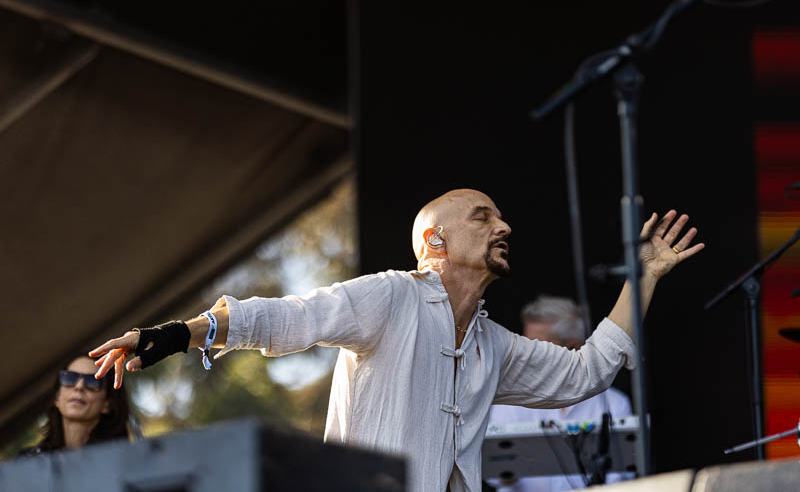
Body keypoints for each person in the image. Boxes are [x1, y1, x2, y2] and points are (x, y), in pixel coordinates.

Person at [90, 189, 703, 492]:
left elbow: (587, 372)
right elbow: (284, 317)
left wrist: (644, 276)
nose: (503, 225)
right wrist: (173, 335)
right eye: (483, 216)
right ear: (435, 242)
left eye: (498, 216)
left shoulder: (493, 345)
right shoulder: (391, 296)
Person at [486, 296, 635, 491]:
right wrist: (504, 471)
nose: (525, 355)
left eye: (535, 347)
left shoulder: (615, 404)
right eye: (524, 345)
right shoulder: (508, 400)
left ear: (573, 347)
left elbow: (620, 480)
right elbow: (495, 475)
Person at [23, 355, 131, 455]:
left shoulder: (122, 460)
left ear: (108, 404)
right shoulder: (28, 459)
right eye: (69, 378)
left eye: (92, 381)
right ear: (57, 397)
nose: (79, 387)